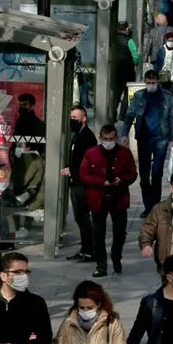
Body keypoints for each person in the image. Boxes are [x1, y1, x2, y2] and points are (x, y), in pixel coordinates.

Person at [39, 280, 127, 344]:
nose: (85, 311)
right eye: (81, 307)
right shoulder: (69, 324)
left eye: (89, 308)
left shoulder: (111, 325)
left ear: (98, 304)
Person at [80, 125, 138, 277]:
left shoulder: (124, 153)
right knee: (98, 234)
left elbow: (132, 172)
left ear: (116, 138)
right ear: (100, 138)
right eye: (106, 139)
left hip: (119, 197)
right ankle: (101, 265)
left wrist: (123, 180)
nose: (108, 142)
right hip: (98, 198)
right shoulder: (91, 154)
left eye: (111, 139)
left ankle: (116, 256)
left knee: (119, 231)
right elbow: (84, 175)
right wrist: (101, 182)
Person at [122, 70, 173, 217]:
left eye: (153, 82)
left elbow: (172, 118)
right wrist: (124, 134)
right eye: (148, 83)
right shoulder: (139, 96)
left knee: (157, 174)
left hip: (161, 138)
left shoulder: (166, 97)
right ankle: (148, 206)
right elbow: (129, 115)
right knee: (144, 176)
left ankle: (156, 206)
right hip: (144, 139)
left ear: (158, 82)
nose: (151, 85)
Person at [63, 105, 97, 262]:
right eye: (71, 118)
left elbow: (88, 162)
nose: (72, 121)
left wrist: (72, 170)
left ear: (84, 119)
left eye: (75, 118)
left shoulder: (87, 137)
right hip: (76, 181)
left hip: (82, 184)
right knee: (79, 217)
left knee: (83, 217)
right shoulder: (78, 135)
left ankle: (89, 250)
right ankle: (85, 248)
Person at [113, 21, 139, 120]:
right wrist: (135, 64)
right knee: (127, 92)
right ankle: (122, 115)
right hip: (128, 70)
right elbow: (135, 56)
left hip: (116, 70)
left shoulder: (113, 40)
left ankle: (112, 114)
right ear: (127, 29)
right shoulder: (129, 41)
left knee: (116, 93)